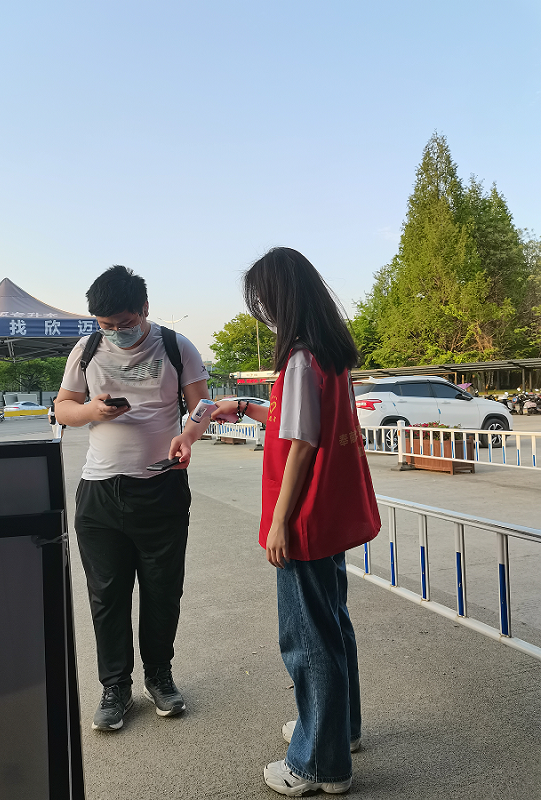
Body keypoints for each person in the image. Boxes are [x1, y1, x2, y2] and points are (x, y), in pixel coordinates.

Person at [212, 248, 380, 796]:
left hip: (305, 517)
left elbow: (302, 444)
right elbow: (299, 422)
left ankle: (317, 764)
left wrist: (280, 522)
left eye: (263, 301)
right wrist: (246, 409)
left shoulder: (301, 359)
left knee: (306, 639)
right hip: (329, 513)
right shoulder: (329, 355)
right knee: (332, 624)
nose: (263, 311)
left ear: (280, 299)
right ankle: (338, 731)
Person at [54, 265, 209, 732]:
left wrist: (188, 436)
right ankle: (115, 688)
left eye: (124, 322)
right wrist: (91, 410)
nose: (116, 332)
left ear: (144, 308)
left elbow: (202, 405)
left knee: (163, 592)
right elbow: (63, 408)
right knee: (107, 596)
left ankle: (159, 677)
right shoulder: (87, 350)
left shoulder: (176, 346)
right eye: (106, 324)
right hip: (100, 492)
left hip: (161, 487)